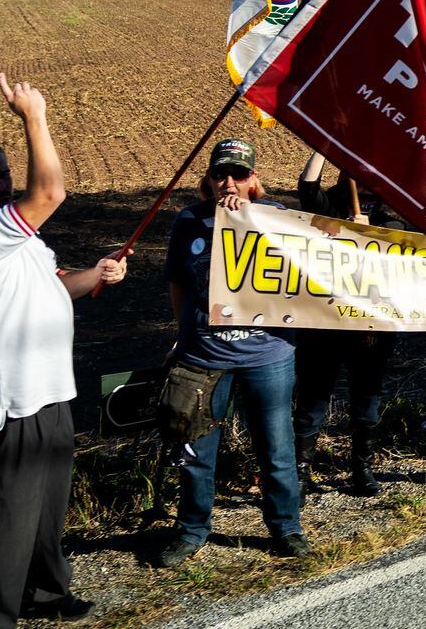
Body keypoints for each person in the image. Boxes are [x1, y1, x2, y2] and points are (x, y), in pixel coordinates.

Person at [0, 74, 129, 629]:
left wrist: (98, 274)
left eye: (3, 176)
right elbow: (51, 194)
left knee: (42, 516)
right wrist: (34, 116)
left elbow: (57, 285)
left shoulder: (17, 237)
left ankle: (42, 594)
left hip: (48, 394)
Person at [157, 139, 307, 568]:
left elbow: (309, 270)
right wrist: (185, 333)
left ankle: (286, 527)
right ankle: (191, 530)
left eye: (239, 175)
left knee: (276, 447)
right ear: (207, 179)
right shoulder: (190, 221)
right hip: (204, 357)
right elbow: (178, 283)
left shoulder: (277, 217)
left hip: (268, 355)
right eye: (221, 174)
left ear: (254, 179)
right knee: (197, 451)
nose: (230, 183)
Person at [290, 153, 397, 497]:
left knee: (366, 396)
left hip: (370, 330)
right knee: (313, 397)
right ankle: (300, 470)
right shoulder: (329, 205)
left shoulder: (390, 215)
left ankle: (361, 467)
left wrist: (370, 232)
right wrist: (324, 145)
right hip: (324, 323)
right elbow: (307, 187)